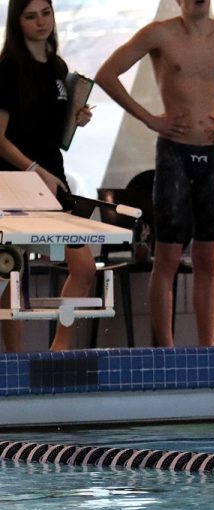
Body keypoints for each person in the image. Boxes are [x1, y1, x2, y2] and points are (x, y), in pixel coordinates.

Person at [96, 0, 214, 347]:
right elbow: (106, 74)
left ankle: (208, 347)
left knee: (209, 257)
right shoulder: (159, 34)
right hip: (174, 152)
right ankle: (166, 348)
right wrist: (150, 118)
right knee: (168, 256)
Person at [0, 0, 95, 352]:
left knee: (84, 267)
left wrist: (76, 120)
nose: (41, 22)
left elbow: (55, 137)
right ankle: (14, 361)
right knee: (10, 274)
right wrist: (32, 169)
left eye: (46, 13)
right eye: (30, 16)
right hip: (14, 179)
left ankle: (60, 349)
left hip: (51, 176)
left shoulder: (58, 67)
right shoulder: (8, 68)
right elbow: (0, 138)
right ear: (17, 22)